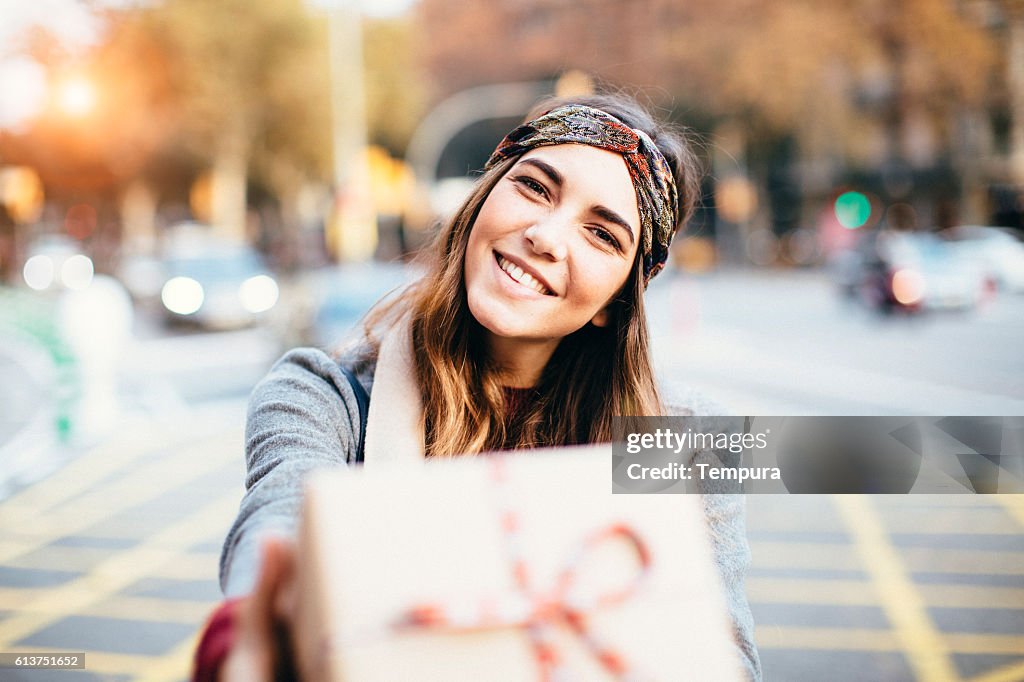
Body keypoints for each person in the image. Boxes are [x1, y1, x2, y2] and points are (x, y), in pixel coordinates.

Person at [194, 93, 762, 681]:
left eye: (601, 234)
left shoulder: (688, 440)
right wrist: (253, 632)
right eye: (536, 188)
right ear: (483, 197)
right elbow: (273, 544)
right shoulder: (321, 398)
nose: (546, 235)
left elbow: (725, 657)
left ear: (617, 300)